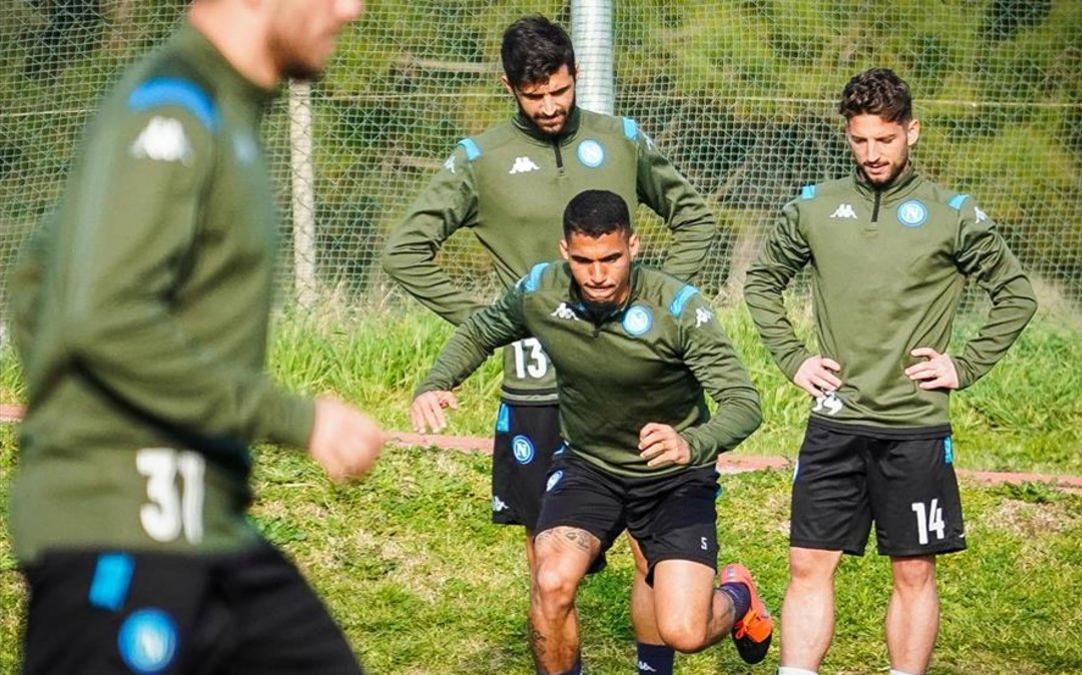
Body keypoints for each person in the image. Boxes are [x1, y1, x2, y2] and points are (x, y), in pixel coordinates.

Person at [6, 1, 384, 672]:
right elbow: (104, 315)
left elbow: (38, 276)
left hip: (203, 532)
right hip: (121, 535)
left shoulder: (221, 109)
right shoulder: (171, 110)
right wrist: (297, 419)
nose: (350, 9)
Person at [383, 15, 716, 673]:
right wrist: (501, 320)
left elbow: (696, 219)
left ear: (575, 76)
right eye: (534, 96)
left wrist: (657, 309)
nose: (550, 106)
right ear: (510, 87)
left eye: (560, 90)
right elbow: (404, 252)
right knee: (550, 570)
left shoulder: (620, 139)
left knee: (653, 556)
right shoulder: (480, 160)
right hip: (537, 391)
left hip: (634, 385)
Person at [744, 68, 1038, 675]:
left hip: (914, 425)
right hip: (835, 420)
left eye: (885, 139)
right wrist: (794, 358)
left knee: (912, 570)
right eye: (860, 140)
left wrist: (966, 364)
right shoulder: (815, 207)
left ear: (912, 132)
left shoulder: (951, 215)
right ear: (847, 136)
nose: (873, 154)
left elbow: (1015, 295)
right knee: (808, 563)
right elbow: (762, 280)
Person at [411, 189, 772, 673]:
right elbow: (480, 330)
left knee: (685, 630)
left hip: (673, 476)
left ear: (634, 247)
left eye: (611, 259)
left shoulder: (680, 309)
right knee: (551, 582)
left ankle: (737, 595)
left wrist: (692, 443)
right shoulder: (540, 291)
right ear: (565, 252)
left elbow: (744, 403)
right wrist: (436, 382)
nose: (598, 274)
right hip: (590, 467)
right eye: (583, 261)